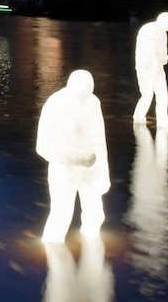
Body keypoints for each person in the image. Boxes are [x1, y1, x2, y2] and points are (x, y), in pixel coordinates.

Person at [36, 70, 110, 243]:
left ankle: (92, 251)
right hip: (64, 169)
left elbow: (100, 141)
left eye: (88, 94)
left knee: (95, 215)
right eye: (81, 95)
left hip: (90, 168)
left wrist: (103, 174)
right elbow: (43, 147)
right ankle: (54, 254)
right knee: (61, 215)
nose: (84, 99)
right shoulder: (55, 104)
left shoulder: (93, 102)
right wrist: (75, 160)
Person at [132, 11, 168, 128]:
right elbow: (160, 53)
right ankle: (162, 122)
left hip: (143, 66)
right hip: (152, 67)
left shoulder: (147, 28)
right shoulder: (159, 32)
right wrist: (163, 60)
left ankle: (139, 117)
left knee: (147, 94)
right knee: (161, 95)